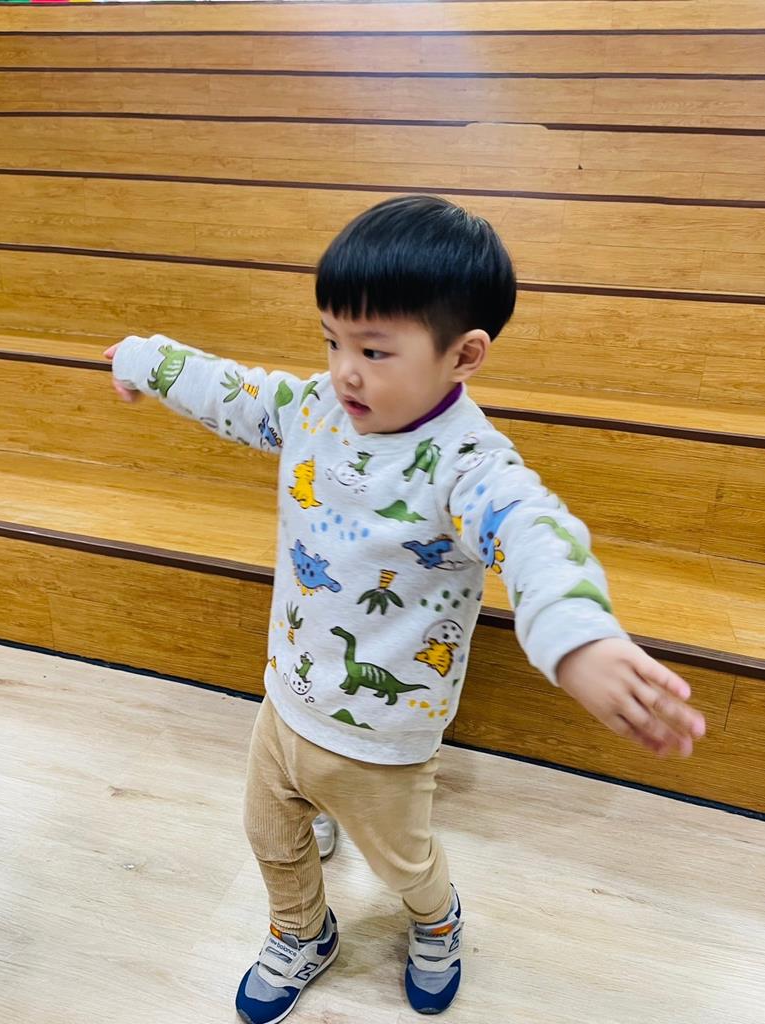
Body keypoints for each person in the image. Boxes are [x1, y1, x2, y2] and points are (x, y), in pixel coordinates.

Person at [104, 195, 706, 1023]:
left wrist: (577, 638)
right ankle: (300, 931)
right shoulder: (318, 407)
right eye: (332, 340)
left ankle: (439, 920)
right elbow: (237, 391)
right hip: (286, 695)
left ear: (463, 355)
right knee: (270, 836)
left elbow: (532, 530)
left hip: (383, 740)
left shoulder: (467, 464)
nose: (344, 370)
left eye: (374, 349)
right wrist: (147, 358)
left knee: (404, 865)